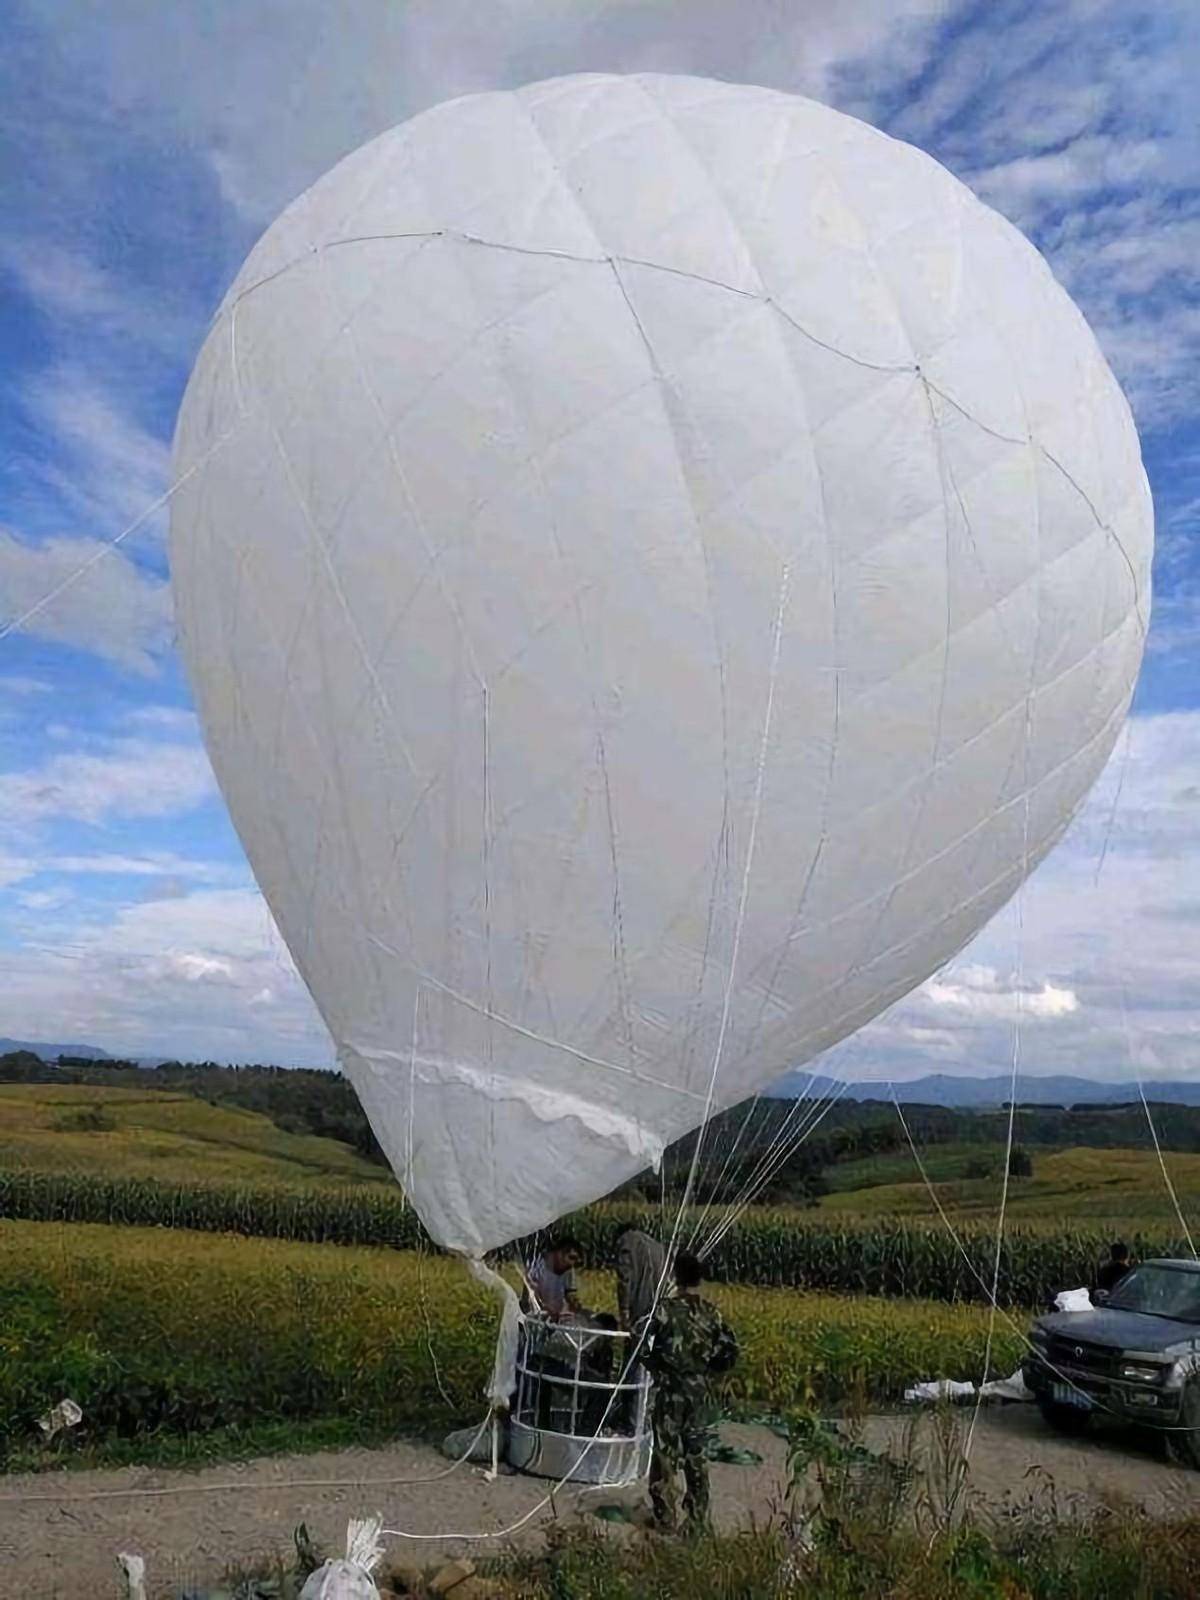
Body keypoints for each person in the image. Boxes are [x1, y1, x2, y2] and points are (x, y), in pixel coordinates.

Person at [644, 1251, 738, 1534]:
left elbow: (643, 1343)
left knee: (665, 1453)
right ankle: (697, 1517)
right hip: (699, 1391)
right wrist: (709, 1369)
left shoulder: (664, 1309)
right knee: (696, 1454)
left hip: (670, 1390)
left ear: (676, 1275)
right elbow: (731, 1350)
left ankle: (665, 1517)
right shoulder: (712, 1312)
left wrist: (653, 1366)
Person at [616, 1227, 667, 1335]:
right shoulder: (656, 1246)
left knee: (636, 1343)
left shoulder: (627, 1241)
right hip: (659, 1306)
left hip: (639, 1309)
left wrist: (624, 1312)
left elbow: (625, 1277)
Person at [522, 1236, 583, 1321]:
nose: (572, 1264)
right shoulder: (537, 1266)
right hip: (534, 1320)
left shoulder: (568, 1271)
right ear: (559, 1253)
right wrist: (549, 1310)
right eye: (571, 1258)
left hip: (557, 1321)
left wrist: (575, 1304)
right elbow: (530, 1298)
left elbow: (570, 1295)